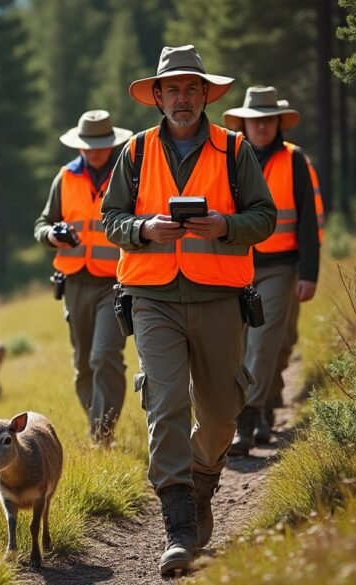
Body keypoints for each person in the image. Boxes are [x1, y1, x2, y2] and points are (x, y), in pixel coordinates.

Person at [101, 45, 276, 576]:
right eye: (172, 89)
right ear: (157, 97)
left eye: (191, 89)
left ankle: (201, 481)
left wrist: (226, 225)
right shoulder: (132, 153)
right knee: (166, 405)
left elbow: (264, 217)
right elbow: (111, 219)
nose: (182, 98)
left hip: (221, 298)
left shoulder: (233, 149)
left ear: (206, 95)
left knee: (223, 413)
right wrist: (143, 229)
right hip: (151, 299)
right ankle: (178, 525)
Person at [223, 87, 324, 455]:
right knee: (243, 345)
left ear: (277, 123)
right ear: (245, 124)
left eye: (268, 120)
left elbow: (310, 220)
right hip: (236, 266)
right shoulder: (231, 158)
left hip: (281, 266)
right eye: (255, 120)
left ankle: (247, 421)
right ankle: (262, 409)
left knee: (266, 343)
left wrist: (309, 272)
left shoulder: (295, 160)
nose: (262, 126)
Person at [34, 110, 131, 445]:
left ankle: (102, 434)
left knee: (104, 356)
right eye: (87, 145)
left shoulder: (127, 176)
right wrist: (52, 236)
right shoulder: (65, 177)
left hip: (115, 282)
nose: (92, 151)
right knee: (83, 365)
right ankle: (98, 428)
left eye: (99, 145)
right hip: (74, 282)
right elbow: (42, 223)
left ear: (111, 144)